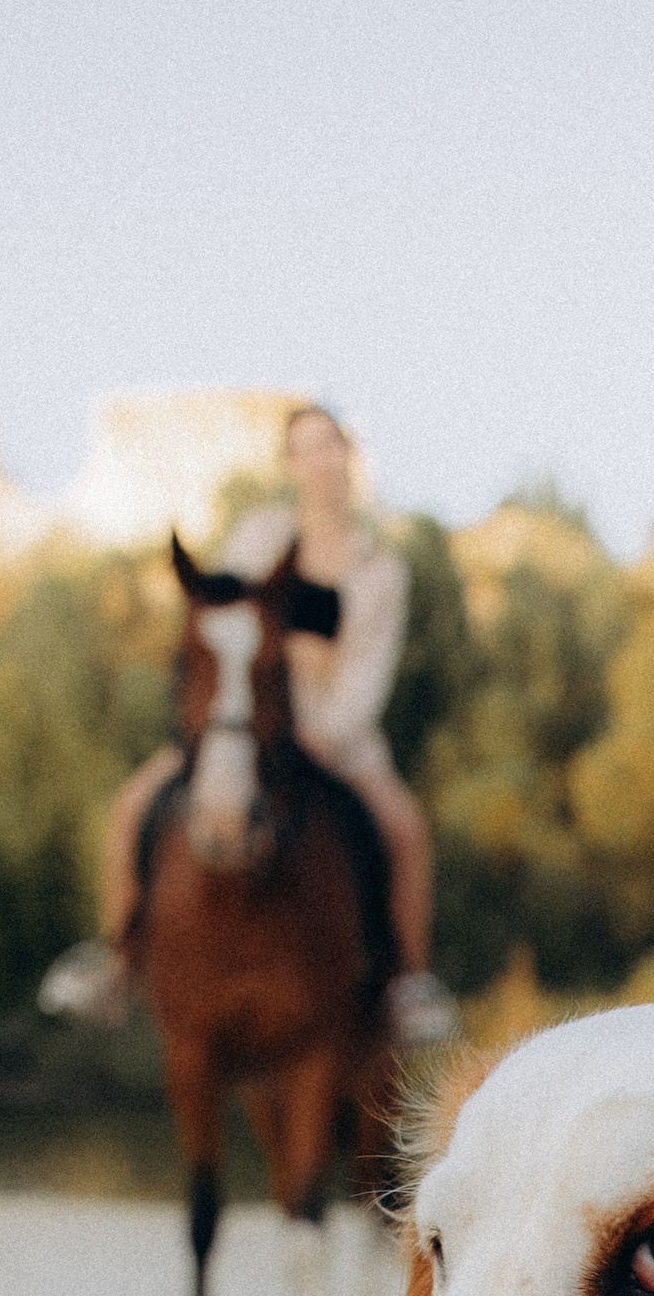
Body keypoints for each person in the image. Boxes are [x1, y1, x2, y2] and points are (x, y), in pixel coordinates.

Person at [74, 400, 453, 1043]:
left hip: (337, 734)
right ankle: (118, 960)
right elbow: (224, 622)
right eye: (304, 449)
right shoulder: (257, 538)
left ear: (347, 456)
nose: (320, 461)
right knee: (136, 801)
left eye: (329, 445)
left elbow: (369, 671)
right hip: (245, 722)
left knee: (404, 828)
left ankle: (405, 985)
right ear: (290, 465)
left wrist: (322, 732)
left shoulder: (381, 569)